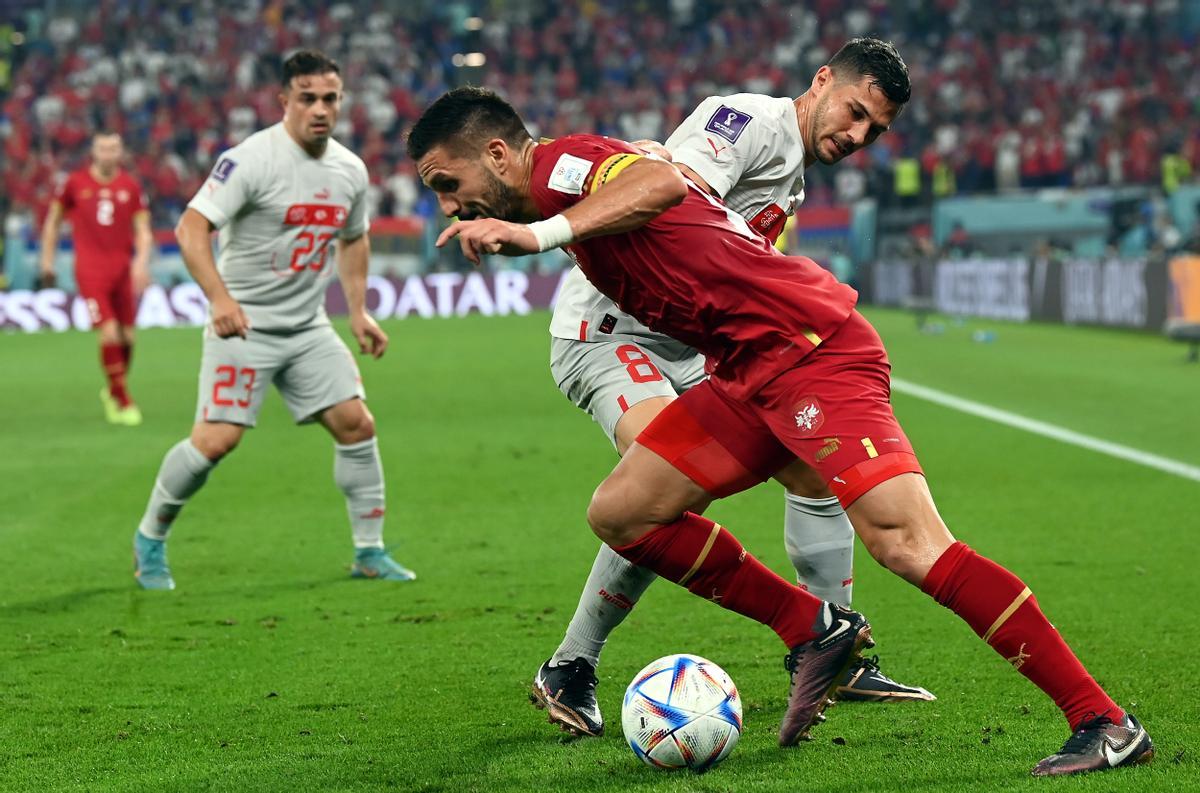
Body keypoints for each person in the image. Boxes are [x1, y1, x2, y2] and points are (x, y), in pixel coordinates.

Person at [408, 87, 1154, 776]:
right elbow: (667, 180)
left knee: (907, 542)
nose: (448, 203)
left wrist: (538, 236)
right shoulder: (572, 175)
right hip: (743, 369)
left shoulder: (560, 171)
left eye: (449, 183)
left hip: (810, 350)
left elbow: (664, 183)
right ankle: (814, 626)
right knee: (624, 512)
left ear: (499, 155)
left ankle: (1104, 720)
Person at [531, 38, 932, 740]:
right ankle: (570, 664)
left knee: (813, 465)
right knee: (662, 480)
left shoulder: (792, 175)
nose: (859, 134)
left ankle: (836, 646)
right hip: (609, 332)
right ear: (821, 81)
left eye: (876, 130)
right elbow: (674, 196)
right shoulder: (744, 121)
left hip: (692, 348)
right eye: (856, 111)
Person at [132, 50, 414, 590]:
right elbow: (192, 229)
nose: (320, 109)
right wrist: (219, 299)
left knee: (357, 425)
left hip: (307, 327)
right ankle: (150, 538)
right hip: (243, 325)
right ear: (284, 100)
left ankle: (369, 551)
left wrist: (357, 312)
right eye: (307, 98)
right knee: (216, 441)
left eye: (330, 98)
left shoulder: (349, 169)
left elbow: (354, 238)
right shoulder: (250, 160)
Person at [39, 131, 152, 426]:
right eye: (103, 148)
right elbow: (53, 221)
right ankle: (121, 399)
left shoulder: (130, 185)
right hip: (90, 269)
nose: (108, 153)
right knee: (110, 331)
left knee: (129, 337)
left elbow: (143, 229)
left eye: (113, 148)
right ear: (93, 151)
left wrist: (141, 263)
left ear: (121, 151)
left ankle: (114, 388)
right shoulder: (75, 183)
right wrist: (47, 259)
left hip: (122, 269)